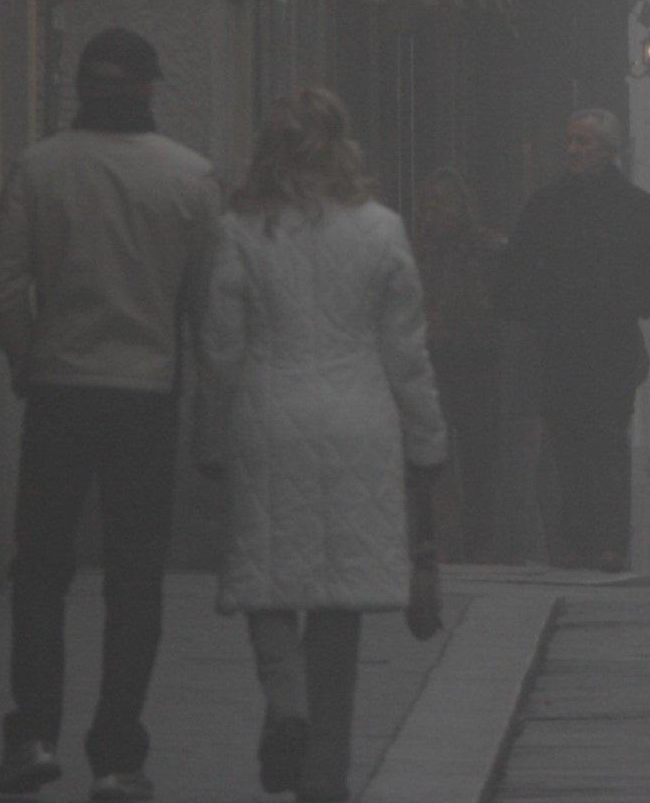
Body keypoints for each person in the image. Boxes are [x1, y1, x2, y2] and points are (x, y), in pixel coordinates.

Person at [0, 26, 223, 802]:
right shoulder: (190, 179)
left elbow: (1, 283)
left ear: (81, 89)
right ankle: (118, 753)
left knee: (41, 569)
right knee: (135, 576)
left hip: (59, 392)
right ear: (151, 89)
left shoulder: (40, 167)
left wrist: (27, 355)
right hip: (146, 397)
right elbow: (210, 308)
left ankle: (35, 732)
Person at [200, 90, 448, 803]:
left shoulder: (241, 231)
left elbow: (221, 349)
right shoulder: (381, 231)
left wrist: (210, 437)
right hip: (357, 414)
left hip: (268, 411)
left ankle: (287, 702)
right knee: (337, 601)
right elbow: (407, 353)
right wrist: (427, 441)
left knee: (268, 574)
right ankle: (325, 777)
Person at [495, 110, 650, 571]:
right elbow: (515, 270)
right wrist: (535, 310)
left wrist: (629, 304)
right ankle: (578, 539)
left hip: (609, 346)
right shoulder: (547, 206)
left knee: (605, 443)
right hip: (560, 346)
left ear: (607, 150)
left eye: (584, 143)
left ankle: (608, 541)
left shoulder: (636, 208)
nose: (574, 150)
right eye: (571, 141)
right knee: (567, 444)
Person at [410, 169, 505, 563]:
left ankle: (482, 541)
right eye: (428, 203)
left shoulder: (489, 250)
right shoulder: (414, 251)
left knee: (479, 452)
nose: (435, 211)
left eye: (443, 201)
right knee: (428, 453)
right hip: (430, 358)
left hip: (476, 358)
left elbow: (503, 306)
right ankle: (433, 539)